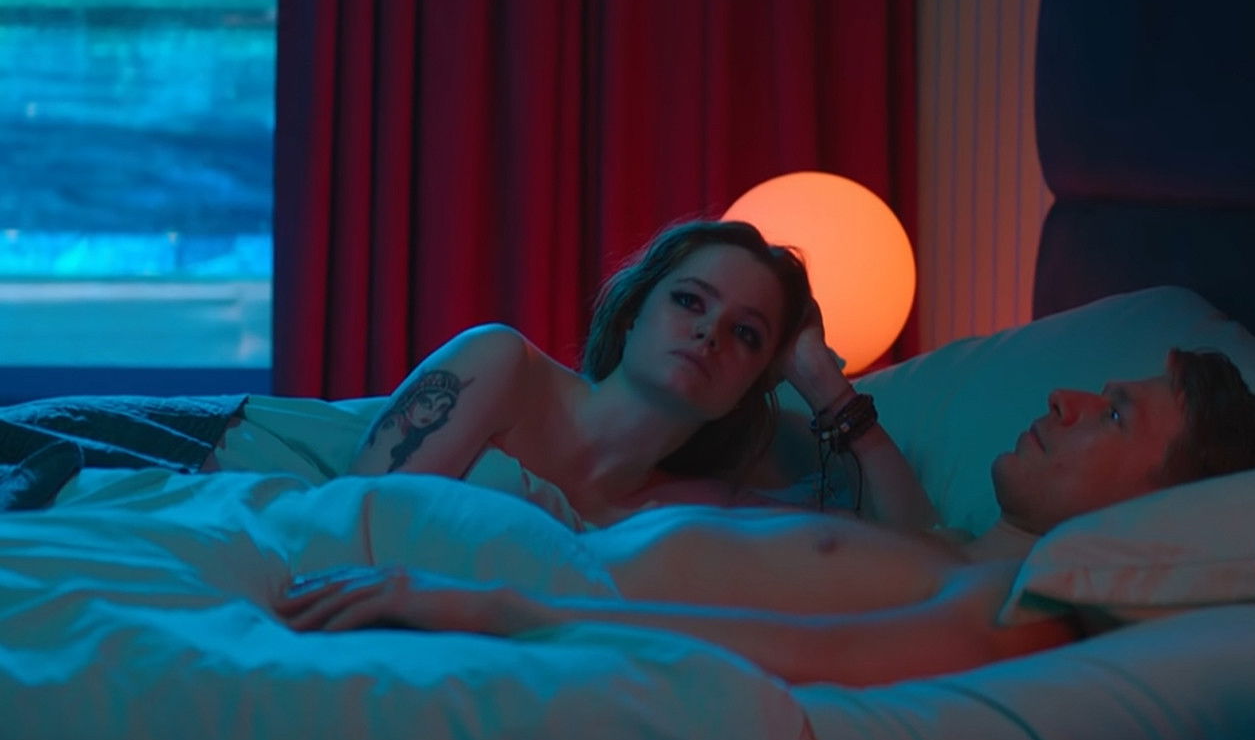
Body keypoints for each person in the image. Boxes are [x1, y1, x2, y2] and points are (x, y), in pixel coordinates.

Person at [275, 347, 1255, 687]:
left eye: (1115, 414)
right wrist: (822, 381)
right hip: (512, 562)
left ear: (1167, 503)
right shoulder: (945, 546)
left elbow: (813, 652)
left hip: (514, 600)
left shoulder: (1019, 598)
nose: (1066, 397)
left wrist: (505, 612)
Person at [201, 218, 911, 530]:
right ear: (632, 314)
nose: (710, 333)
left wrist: (824, 384)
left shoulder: (705, 508)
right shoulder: (504, 364)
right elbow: (348, 522)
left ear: (755, 381)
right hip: (215, 452)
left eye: (747, 334)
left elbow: (923, 548)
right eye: (690, 301)